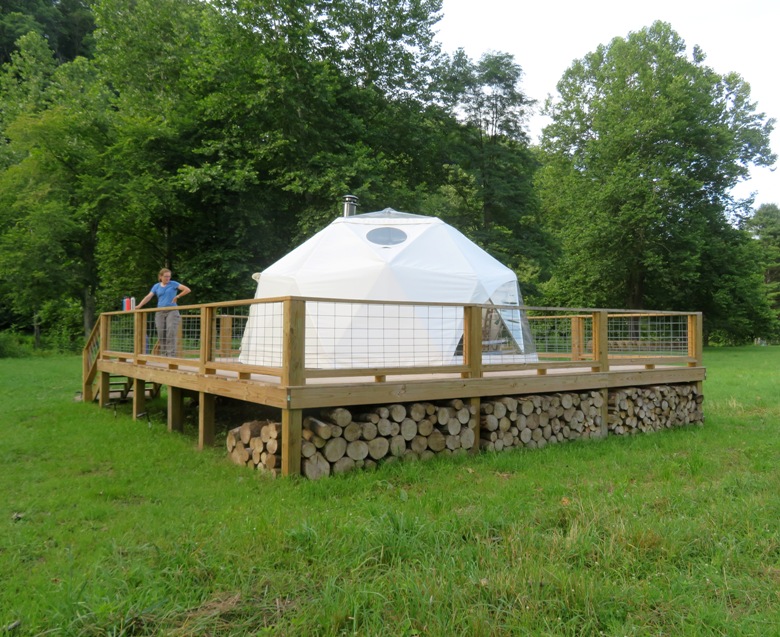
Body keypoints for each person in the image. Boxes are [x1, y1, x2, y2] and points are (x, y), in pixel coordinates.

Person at [136, 268, 191, 357]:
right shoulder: (156, 286)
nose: (167, 278)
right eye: (165, 276)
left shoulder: (173, 284)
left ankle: (171, 356)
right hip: (160, 311)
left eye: (169, 276)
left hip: (172, 311)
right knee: (161, 332)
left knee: (170, 332)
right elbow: (149, 296)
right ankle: (164, 354)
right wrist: (139, 305)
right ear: (160, 276)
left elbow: (187, 289)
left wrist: (178, 296)